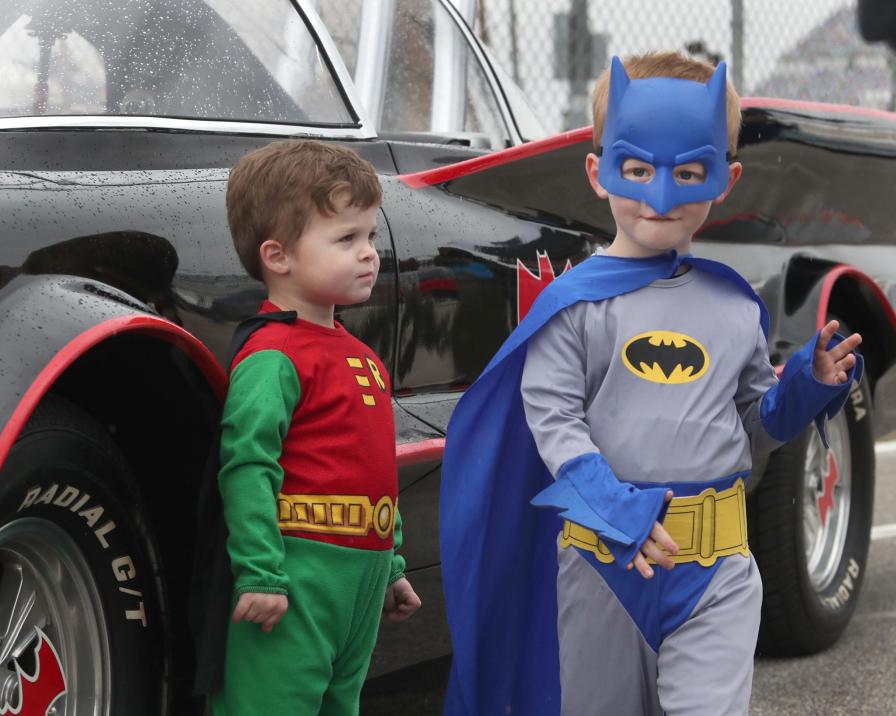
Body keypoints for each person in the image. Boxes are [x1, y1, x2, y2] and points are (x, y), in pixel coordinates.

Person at [439, 52, 863, 716]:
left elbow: (752, 430)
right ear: (597, 170)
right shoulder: (573, 305)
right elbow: (553, 423)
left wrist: (805, 387)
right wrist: (615, 509)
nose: (660, 196)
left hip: (717, 571)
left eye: (689, 172)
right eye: (636, 170)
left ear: (725, 178)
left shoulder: (734, 304)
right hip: (605, 567)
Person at [210, 139, 421, 715]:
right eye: (346, 239)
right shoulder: (273, 356)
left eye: (370, 236)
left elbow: (370, 467)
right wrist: (261, 574)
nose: (368, 254)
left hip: (361, 583)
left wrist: (392, 567)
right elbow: (248, 466)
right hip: (294, 580)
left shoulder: (362, 357)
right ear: (277, 256)